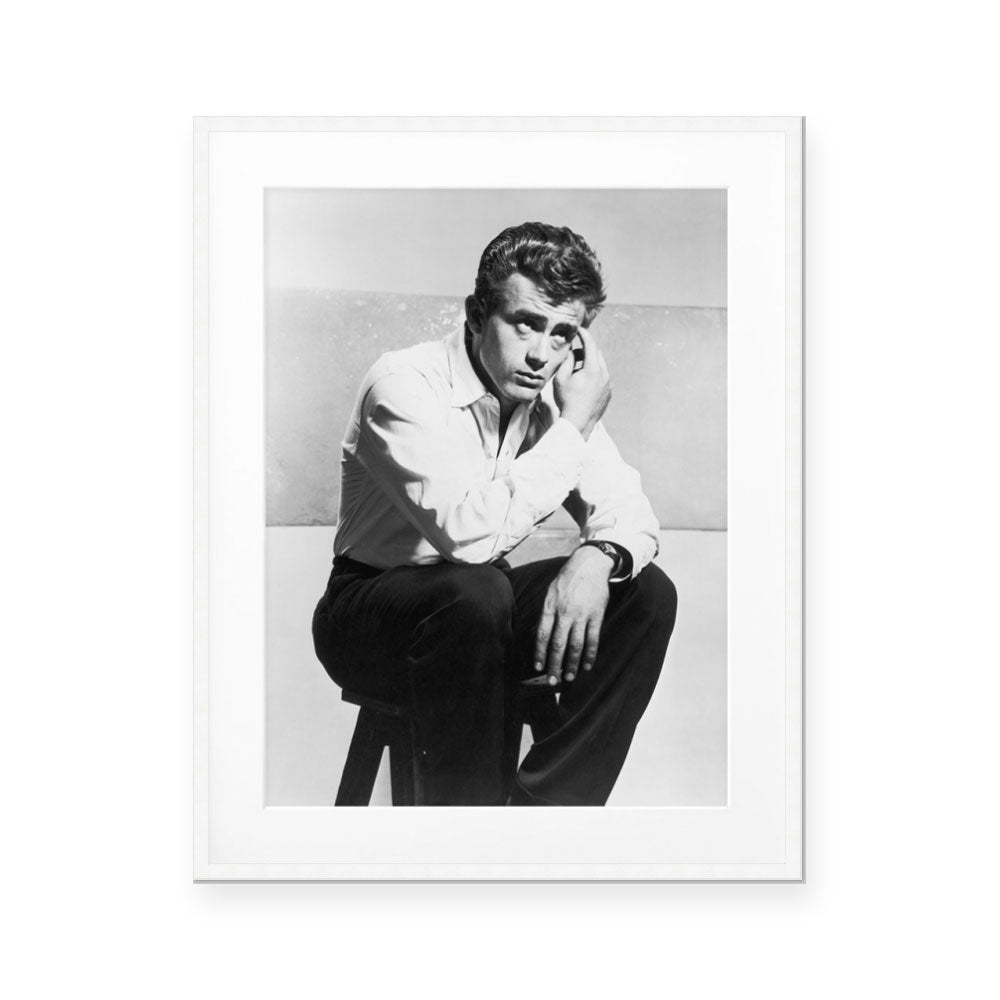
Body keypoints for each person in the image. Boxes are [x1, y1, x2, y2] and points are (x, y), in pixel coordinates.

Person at [312, 222, 677, 805]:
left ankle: (543, 813)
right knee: (476, 590)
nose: (541, 354)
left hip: (483, 611)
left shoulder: (550, 398)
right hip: (368, 617)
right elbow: (467, 537)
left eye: (563, 335)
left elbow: (631, 515)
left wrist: (598, 556)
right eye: (525, 323)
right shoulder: (403, 385)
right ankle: (471, 830)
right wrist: (574, 427)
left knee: (644, 593)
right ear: (477, 314)